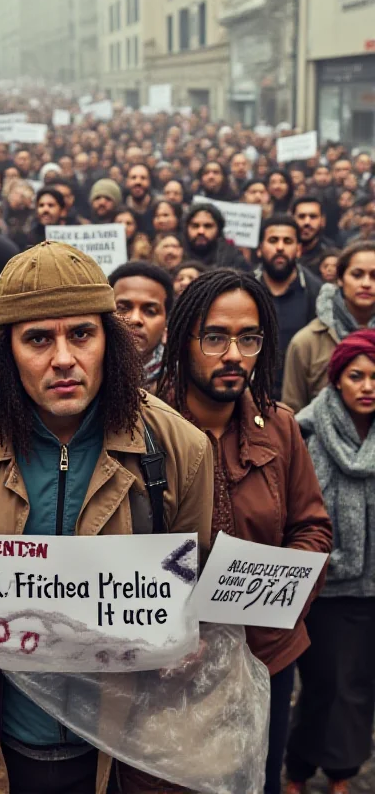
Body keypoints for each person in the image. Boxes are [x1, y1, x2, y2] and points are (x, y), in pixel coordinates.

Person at [0, 241, 214, 794]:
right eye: (38, 338)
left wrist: (187, 639)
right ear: (6, 350)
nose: (63, 358)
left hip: (124, 753)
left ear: (109, 342)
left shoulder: (177, 447)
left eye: (81, 335)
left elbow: (189, 588)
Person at [158, 269, 332, 794]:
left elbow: (313, 529)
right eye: (215, 337)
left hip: (265, 655)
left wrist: (273, 596)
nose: (233, 354)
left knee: (256, 779)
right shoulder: (142, 425)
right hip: (168, 664)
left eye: (249, 338)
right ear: (183, 339)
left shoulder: (279, 426)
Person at [285, 331, 375, 794]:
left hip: (371, 586)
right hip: (324, 585)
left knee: (358, 687)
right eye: (356, 376)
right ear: (337, 379)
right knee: (321, 684)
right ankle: (298, 767)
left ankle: (343, 771)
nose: (367, 386)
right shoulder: (308, 431)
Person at [283, 242, 375, 412]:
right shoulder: (307, 342)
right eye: (357, 275)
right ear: (340, 279)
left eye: (374, 276)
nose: (366, 283)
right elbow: (292, 415)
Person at [254, 216, 323, 400]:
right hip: (250, 396)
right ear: (260, 249)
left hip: (301, 401)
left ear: (299, 249)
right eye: (273, 240)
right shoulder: (244, 291)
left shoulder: (317, 294)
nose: (280, 248)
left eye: (288, 241)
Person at [109, 261, 173, 392]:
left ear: (166, 326)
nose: (135, 319)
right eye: (122, 308)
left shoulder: (182, 385)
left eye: (150, 311)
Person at [183, 203, 248, 270]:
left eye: (208, 226)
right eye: (195, 226)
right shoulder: (176, 254)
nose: (201, 231)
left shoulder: (233, 258)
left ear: (218, 229)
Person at [292, 197, 333, 271]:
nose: (307, 222)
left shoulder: (331, 255)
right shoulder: (282, 249)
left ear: (322, 221)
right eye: (301, 216)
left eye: (313, 217)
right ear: (292, 219)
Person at [125, 163, 156, 236]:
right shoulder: (120, 209)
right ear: (127, 182)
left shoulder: (157, 208)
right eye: (133, 177)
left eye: (143, 178)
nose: (138, 182)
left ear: (149, 182)